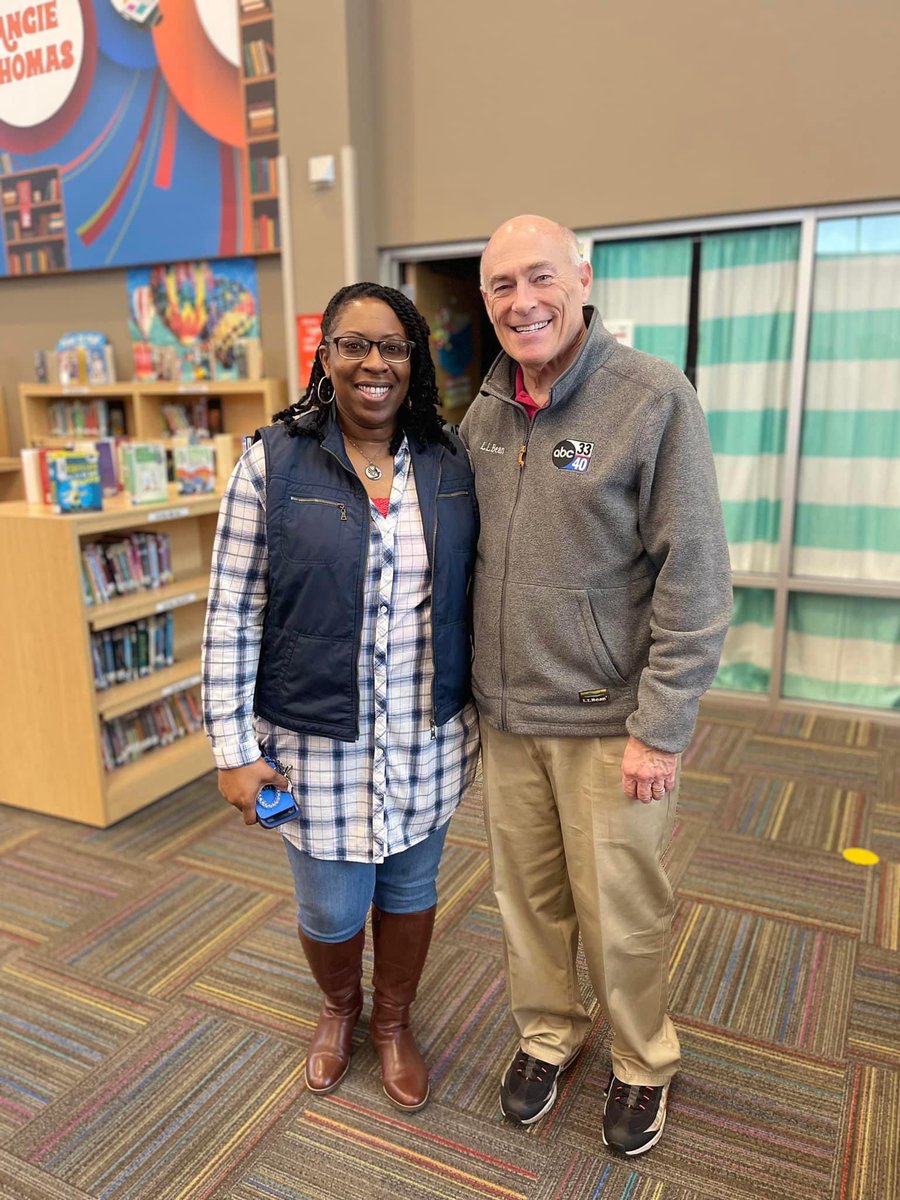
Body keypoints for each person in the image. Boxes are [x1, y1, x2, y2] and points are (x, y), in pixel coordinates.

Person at [459, 215, 732, 1155]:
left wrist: (663, 726)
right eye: (501, 286)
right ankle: (548, 1033)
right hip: (508, 716)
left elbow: (695, 576)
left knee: (621, 907)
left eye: (540, 277)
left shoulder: (651, 397)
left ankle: (641, 1059)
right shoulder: (485, 410)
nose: (522, 301)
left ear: (582, 277)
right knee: (525, 900)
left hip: (611, 721)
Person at [202, 282, 480, 1113]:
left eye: (393, 347)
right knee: (329, 902)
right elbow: (231, 609)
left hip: (425, 734)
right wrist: (232, 748)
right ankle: (338, 1010)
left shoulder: (449, 461)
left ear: (412, 362)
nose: (375, 363)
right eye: (354, 344)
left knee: (409, 889)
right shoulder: (272, 461)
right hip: (313, 740)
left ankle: (393, 1024)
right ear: (324, 356)